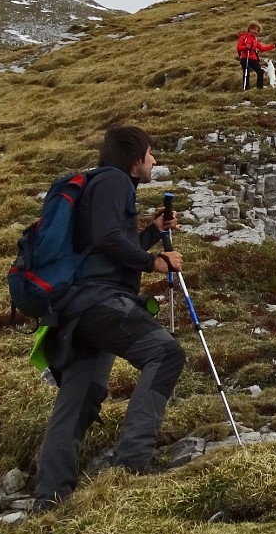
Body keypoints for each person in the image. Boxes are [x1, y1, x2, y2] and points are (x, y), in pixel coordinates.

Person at [33, 125, 186, 510]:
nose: (154, 160)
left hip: (75, 309)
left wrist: (151, 232)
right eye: (150, 153)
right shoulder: (116, 181)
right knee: (165, 355)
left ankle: (49, 500)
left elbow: (104, 248)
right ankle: (131, 464)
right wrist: (154, 261)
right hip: (99, 302)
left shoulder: (101, 186)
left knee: (79, 397)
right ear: (134, 159)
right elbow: (106, 238)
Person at [236, 22, 276, 90]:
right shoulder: (244, 37)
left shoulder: (255, 40)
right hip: (245, 57)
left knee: (260, 71)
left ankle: (259, 88)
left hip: (253, 58)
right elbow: (238, 47)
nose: (255, 31)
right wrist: (246, 47)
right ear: (250, 29)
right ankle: (246, 88)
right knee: (246, 72)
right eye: (254, 29)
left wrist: (272, 46)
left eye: (257, 30)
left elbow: (262, 48)